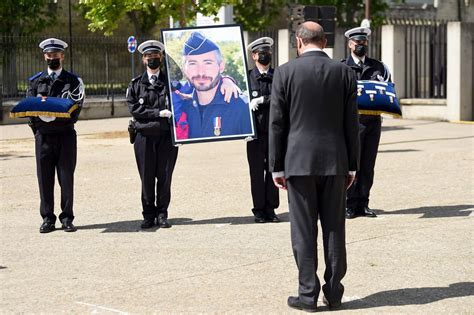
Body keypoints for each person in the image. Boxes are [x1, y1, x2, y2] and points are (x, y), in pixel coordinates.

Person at [269, 22, 360, 312]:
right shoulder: (344, 72)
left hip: (297, 162)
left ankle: (307, 295)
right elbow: (351, 124)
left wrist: (276, 167)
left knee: (303, 230)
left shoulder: (284, 72)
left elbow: (276, 124)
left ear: (299, 41)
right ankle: (333, 293)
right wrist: (353, 166)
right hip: (335, 161)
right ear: (324, 41)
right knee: (334, 229)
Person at [26, 38, 85, 233]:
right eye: (49, 55)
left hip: (65, 136)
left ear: (62, 56)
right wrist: (39, 128)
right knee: (44, 178)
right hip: (43, 137)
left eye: (56, 54)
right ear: (45, 56)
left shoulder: (73, 81)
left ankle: (67, 218)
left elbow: (75, 111)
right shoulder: (35, 81)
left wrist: (55, 119)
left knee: (66, 177)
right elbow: (29, 111)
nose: (52, 57)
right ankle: (47, 218)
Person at [126, 40, 178, 229]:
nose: (152, 59)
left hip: (166, 136)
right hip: (144, 137)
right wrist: (157, 113)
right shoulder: (136, 84)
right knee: (147, 177)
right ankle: (148, 214)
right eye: (149, 57)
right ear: (143, 59)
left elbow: (180, 105)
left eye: (156, 56)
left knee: (164, 176)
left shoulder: (171, 84)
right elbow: (135, 109)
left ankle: (162, 214)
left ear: (161, 58)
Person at [342, 27, 391, 219]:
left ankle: (364, 202)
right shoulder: (342, 68)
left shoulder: (379, 67)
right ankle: (349, 203)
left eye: (363, 42)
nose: (360, 45)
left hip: (373, 122)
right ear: (349, 44)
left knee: (368, 164)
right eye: (356, 42)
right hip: (352, 124)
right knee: (352, 164)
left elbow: (388, 89)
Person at [180, 32, 252, 139]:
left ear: (221, 66)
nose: (201, 72)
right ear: (184, 69)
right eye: (192, 63)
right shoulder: (180, 106)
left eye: (208, 63)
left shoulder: (243, 107)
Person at [246, 37, 279, 223]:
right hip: (255, 133)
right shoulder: (248, 77)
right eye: (261, 52)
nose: (265, 55)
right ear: (254, 55)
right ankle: (259, 209)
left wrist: (262, 100)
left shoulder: (279, 75)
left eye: (268, 51)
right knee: (257, 172)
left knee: (273, 170)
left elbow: (281, 97)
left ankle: (271, 208)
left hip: (274, 131)